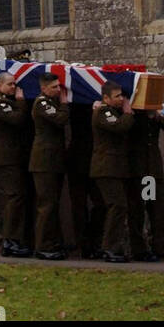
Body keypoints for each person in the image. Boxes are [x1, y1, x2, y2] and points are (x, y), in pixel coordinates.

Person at [0, 71, 31, 257]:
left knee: (17, 197)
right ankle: (10, 240)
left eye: (14, 84)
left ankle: (14, 239)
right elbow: (16, 119)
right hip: (5, 157)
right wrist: (21, 101)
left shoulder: (0, 101)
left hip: (12, 156)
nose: (14, 87)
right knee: (14, 196)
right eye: (10, 85)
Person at [90, 80, 135, 262]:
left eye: (122, 95)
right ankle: (109, 247)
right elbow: (119, 126)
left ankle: (106, 246)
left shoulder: (110, 111)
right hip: (106, 167)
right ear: (106, 98)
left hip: (114, 168)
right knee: (117, 205)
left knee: (114, 207)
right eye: (117, 96)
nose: (121, 99)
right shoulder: (103, 112)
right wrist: (128, 112)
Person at [127, 103, 164, 260]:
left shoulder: (156, 108)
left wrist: (157, 116)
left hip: (152, 169)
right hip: (137, 169)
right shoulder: (131, 111)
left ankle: (161, 248)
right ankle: (139, 249)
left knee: (157, 208)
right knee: (137, 210)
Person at [29, 72, 69, 259]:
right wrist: (65, 103)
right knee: (46, 205)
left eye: (58, 86)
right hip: (44, 162)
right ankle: (42, 246)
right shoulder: (42, 103)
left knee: (53, 204)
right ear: (43, 88)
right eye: (53, 87)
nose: (58, 90)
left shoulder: (51, 103)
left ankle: (52, 243)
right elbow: (60, 119)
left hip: (53, 161)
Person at [66, 102, 105, 259]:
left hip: (96, 160)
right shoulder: (75, 104)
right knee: (79, 206)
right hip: (77, 160)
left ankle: (94, 241)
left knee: (101, 204)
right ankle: (83, 244)